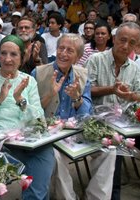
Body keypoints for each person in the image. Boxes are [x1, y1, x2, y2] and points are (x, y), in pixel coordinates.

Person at [33, 34, 114, 200]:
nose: (63, 53)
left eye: (70, 50)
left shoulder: (82, 74)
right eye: (61, 48)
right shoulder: (39, 73)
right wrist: (50, 94)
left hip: (76, 130)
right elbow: (32, 112)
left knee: (110, 150)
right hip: (50, 132)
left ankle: (96, 197)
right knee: (55, 155)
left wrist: (77, 98)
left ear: (77, 57)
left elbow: (86, 115)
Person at [0, 35, 54, 199]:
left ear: (21, 58)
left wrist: (20, 99)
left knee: (46, 152)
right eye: (3, 53)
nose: (7, 59)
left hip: (25, 139)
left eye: (13, 54)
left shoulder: (29, 81)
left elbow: (38, 118)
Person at [86, 22, 140, 200]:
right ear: (114, 38)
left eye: (132, 43)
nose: (126, 46)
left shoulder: (134, 67)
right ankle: (113, 194)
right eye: (122, 40)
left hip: (126, 123)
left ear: (137, 45)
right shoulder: (96, 59)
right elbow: (86, 90)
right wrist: (112, 89)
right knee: (114, 148)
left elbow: (139, 95)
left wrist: (131, 96)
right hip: (98, 122)